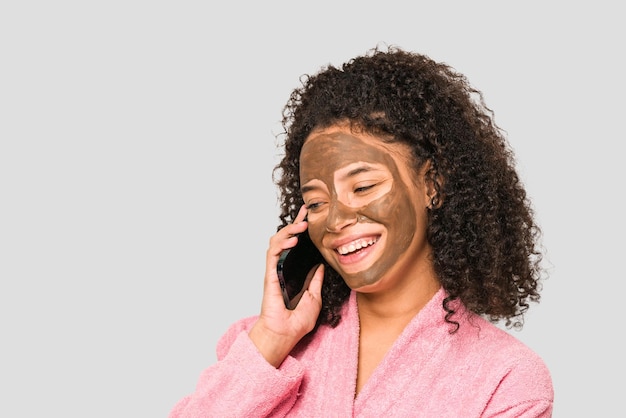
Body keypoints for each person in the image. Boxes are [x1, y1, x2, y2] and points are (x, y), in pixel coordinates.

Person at [168, 45, 554, 417]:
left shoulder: (507, 381)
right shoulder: (263, 350)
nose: (336, 221)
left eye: (364, 187)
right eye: (316, 203)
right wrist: (272, 337)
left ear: (432, 185)